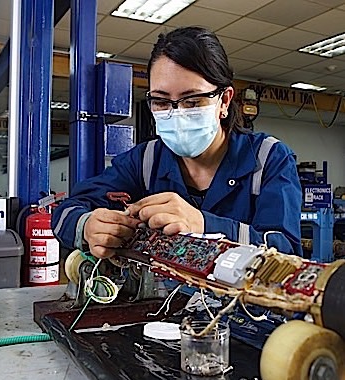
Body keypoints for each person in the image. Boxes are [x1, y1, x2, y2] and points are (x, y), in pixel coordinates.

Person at [52, 26, 302, 259]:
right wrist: (87, 226)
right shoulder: (145, 161)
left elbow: (287, 253)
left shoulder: (268, 158)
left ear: (224, 101)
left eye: (192, 101)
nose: (177, 113)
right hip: (164, 302)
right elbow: (66, 211)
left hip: (244, 305)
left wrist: (204, 225)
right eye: (161, 101)